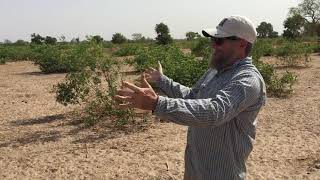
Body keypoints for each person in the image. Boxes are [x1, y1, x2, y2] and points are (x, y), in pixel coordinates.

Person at [115, 15, 266, 180]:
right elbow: (192, 96)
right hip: (195, 169)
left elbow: (214, 111)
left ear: (242, 43)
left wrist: (157, 104)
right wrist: (162, 81)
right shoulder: (215, 71)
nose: (213, 45)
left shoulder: (248, 80)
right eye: (213, 40)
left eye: (219, 41)